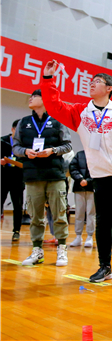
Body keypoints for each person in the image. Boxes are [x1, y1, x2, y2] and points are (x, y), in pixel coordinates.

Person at [40, 60, 112, 283]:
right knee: (103, 220)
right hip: (101, 176)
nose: (92, 84)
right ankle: (105, 266)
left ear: (109, 89)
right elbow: (54, 105)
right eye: (91, 81)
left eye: (98, 82)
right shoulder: (80, 112)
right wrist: (48, 79)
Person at [12, 89, 73, 267]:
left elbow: (68, 145)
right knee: (35, 217)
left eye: (35, 96)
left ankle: (62, 249)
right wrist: (25, 152)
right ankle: (37, 250)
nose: (30, 98)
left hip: (55, 175)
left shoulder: (58, 121)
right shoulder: (23, 123)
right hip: (32, 175)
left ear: (45, 99)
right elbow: (16, 147)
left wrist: (52, 151)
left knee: (60, 214)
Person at [1, 119, 25, 241]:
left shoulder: (24, 143)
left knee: (18, 205)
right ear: (12, 129)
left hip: (18, 177)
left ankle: (16, 231)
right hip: (3, 177)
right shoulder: (2, 141)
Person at [69, 150, 95, 248]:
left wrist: (88, 181)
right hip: (79, 188)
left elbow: (98, 170)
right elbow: (72, 168)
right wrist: (80, 179)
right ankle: (78, 236)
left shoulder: (97, 154)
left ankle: (89, 236)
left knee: (91, 213)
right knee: (79, 213)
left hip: (92, 188)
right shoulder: (79, 154)